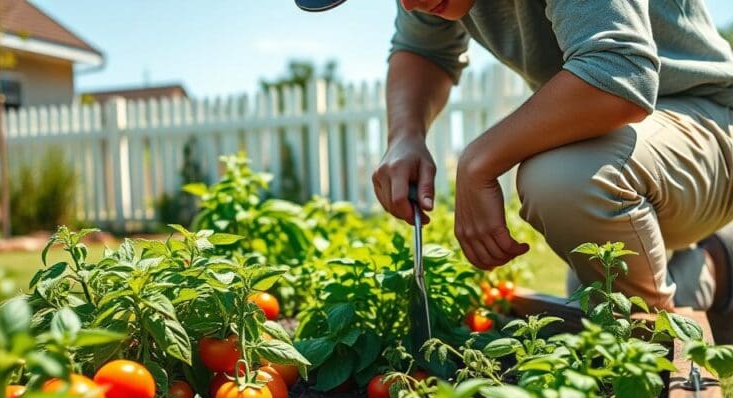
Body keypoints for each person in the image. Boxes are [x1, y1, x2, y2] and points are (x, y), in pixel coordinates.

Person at [295, 0, 733, 341]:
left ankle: (649, 355)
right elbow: (421, 47)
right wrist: (404, 134)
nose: (408, 4)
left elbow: (620, 72)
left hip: (710, 119)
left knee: (565, 179)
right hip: (631, 143)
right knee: (596, 299)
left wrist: (477, 162)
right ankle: (712, 264)